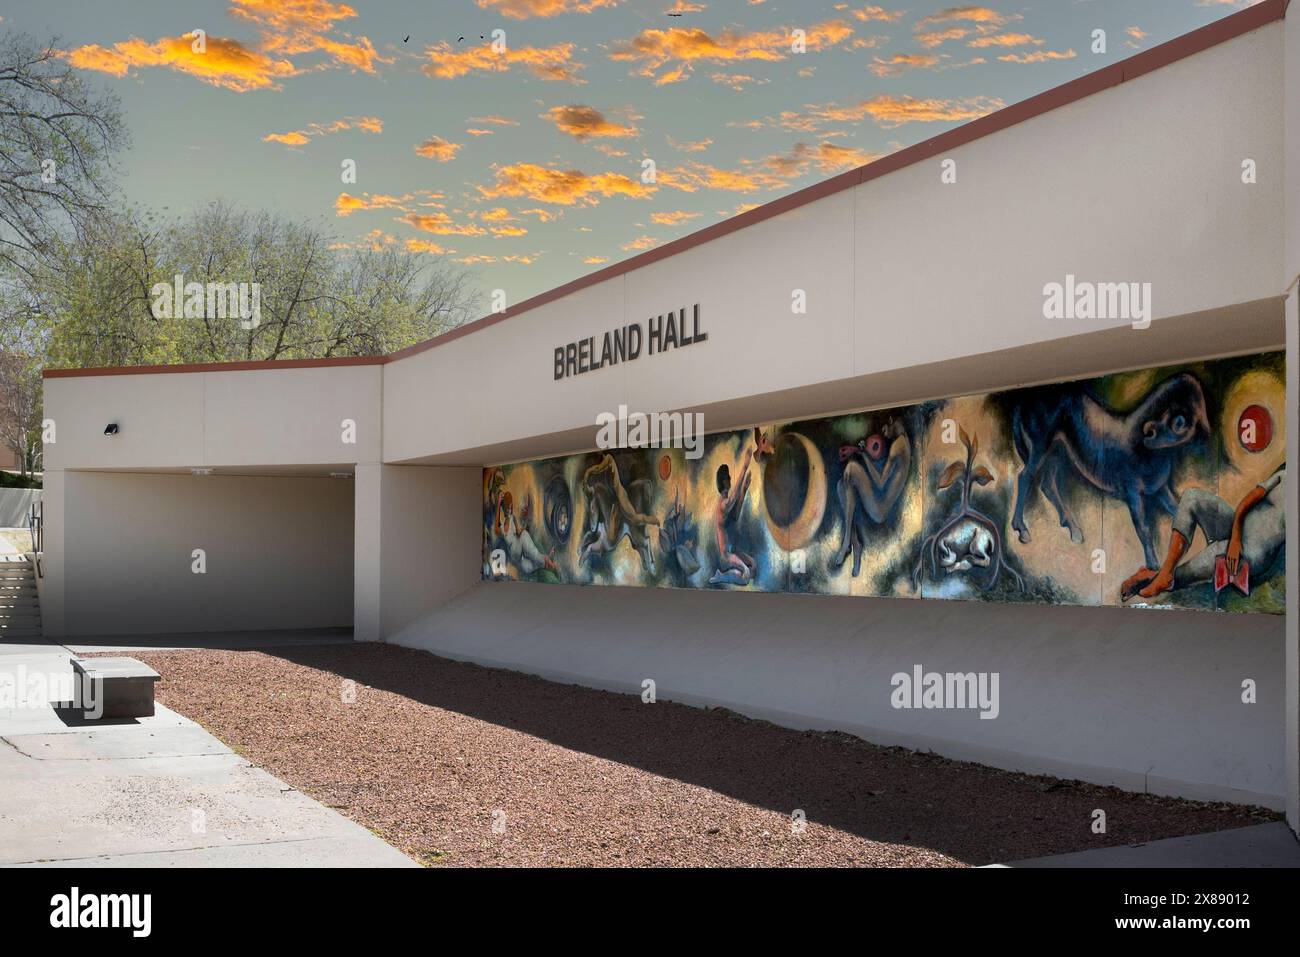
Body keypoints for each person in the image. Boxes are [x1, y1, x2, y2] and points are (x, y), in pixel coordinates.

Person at [1122, 465, 1285, 600]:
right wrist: (1235, 538)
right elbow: (1246, 502)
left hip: (1251, 554)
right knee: (1191, 497)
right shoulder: (1285, 475)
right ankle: (1165, 572)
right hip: (1236, 528)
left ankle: (1156, 577)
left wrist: (1235, 546)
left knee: (1213, 556)